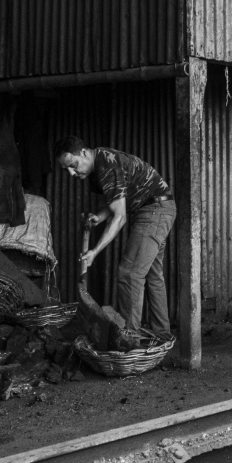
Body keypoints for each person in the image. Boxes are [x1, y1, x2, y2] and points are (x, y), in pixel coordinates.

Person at [53, 136, 176, 333]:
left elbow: (120, 217)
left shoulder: (106, 164)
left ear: (84, 153)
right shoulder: (96, 169)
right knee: (152, 275)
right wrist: (99, 218)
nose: (71, 172)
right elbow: (115, 201)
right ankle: (162, 335)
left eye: (73, 165)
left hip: (154, 210)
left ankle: (129, 341)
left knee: (129, 273)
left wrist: (94, 251)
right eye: (66, 169)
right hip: (157, 208)